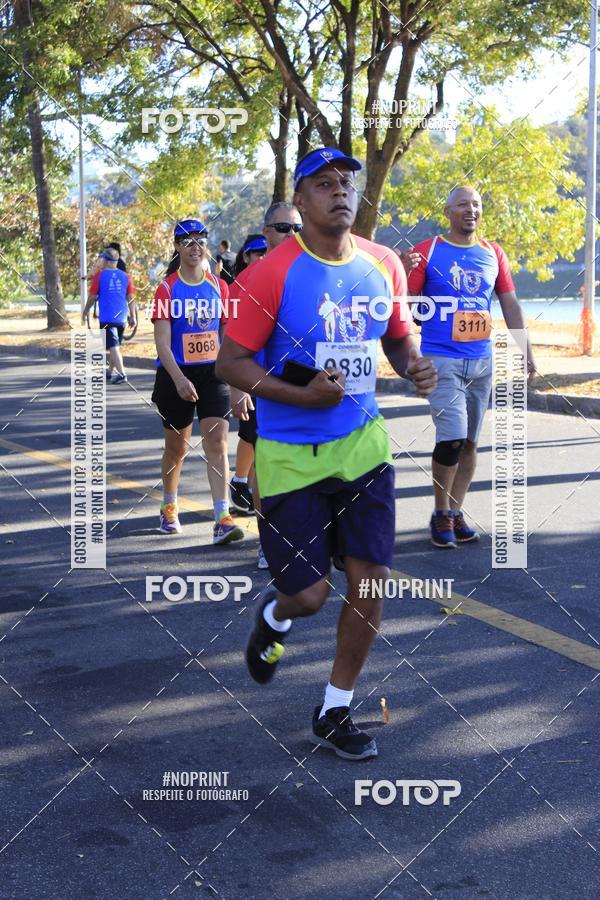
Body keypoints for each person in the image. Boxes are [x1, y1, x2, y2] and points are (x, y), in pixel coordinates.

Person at [217, 147, 437, 760]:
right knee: (310, 594)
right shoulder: (271, 274)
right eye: (324, 184)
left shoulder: (383, 263)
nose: (340, 192)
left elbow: (397, 338)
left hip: (364, 450)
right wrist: (301, 395)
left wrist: (414, 364)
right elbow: (229, 362)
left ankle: (335, 709)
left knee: (370, 583)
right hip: (290, 455)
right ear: (302, 200)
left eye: (347, 183)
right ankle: (278, 614)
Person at [405, 185, 535, 548]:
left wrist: (525, 347)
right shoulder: (427, 251)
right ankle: (439, 512)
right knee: (451, 439)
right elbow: (406, 305)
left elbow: (508, 302)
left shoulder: (493, 253)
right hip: (441, 359)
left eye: (476, 204)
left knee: (471, 444)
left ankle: (456, 511)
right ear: (447, 212)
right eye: (463, 204)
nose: (471, 210)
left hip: (481, 361)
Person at [150, 218, 245, 545]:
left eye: (200, 239)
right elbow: (162, 343)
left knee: (217, 442)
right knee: (176, 447)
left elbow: (228, 336)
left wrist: (236, 383)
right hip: (175, 372)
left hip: (212, 373)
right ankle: (168, 504)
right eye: (186, 240)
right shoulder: (167, 289)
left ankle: (222, 516)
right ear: (177, 247)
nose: (194, 246)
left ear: (206, 245)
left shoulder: (221, 287)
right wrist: (177, 379)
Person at [228, 202, 303, 569]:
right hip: (263, 384)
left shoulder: (316, 271)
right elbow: (234, 340)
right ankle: (268, 538)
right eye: (286, 229)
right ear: (267, 232)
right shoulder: (249, 278)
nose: (294, 236)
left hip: (310, 385)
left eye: (299, 228)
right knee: (267, 462)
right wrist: (237, 387)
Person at [82, 247, 136, 384]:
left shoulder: (99, 276)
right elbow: (131, 298)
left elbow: (92, 296)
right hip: (122, 317)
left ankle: (122, 373)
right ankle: (110, 371)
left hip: (107, 317)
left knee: (113, 346)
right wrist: (133, 316)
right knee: (115, 345)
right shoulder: (126, 276)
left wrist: (85, 311)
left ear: (105, 260)